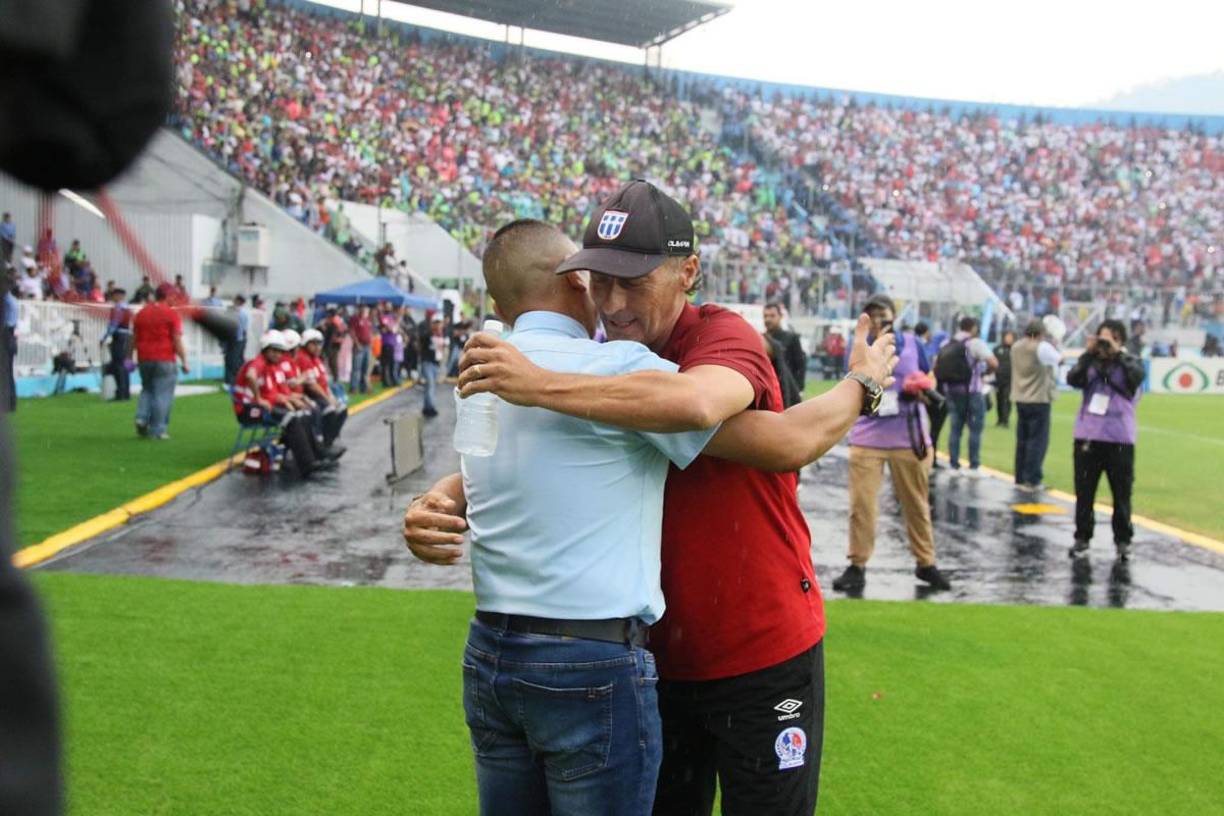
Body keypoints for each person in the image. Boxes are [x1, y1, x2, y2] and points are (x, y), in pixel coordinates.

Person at [432, 184, 896, 815]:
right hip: (654, 660)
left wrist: (862, 383)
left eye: (634, 282)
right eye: (601, 282)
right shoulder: (601, 364)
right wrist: (446, 495)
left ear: (688, 273)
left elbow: (732, 417)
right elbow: (546, 446)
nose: (614, 303)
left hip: (758, 647)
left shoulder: (720, 337)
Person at [832, 295, 952, 593]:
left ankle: (926, 562)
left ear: (893, 316)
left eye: (882, 314)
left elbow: (929, 376)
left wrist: (921, 386)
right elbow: (848, 382)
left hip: (907, 434)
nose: (877, 320)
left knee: (916, 503)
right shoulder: (859, 344)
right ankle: (857, 564)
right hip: (868, 434)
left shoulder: (911, 343)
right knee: (861, 505)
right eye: (871, 314)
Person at [1066, 320, 1146, 562]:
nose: (1104, 344)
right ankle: (1082, 537)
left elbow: (1137, 377)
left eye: (1110, 339)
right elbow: (1073, 379)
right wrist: (1088, 354)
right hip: (1088, 435)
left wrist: (1117, 353)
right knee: (1084, 491)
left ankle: (1123, 540)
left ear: (1120, 340)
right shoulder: (1090, 362)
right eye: (1101, 338)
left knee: (1121, 493)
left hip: (1119, 437)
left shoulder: (1130, 362)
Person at [232, 331, 335, 478]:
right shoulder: (259, 362)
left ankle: (315, 455)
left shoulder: (272, 367)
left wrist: (298, 399)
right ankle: (307, 464)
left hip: (262, 407)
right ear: (265, 349)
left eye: (281, 351)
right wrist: (259, 398)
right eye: (274, 350)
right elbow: (250, 376)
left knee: (303, 415)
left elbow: (279, 394)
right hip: (247, 409)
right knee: (291, 418)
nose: (278, 354)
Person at [935, 316, 998, 474]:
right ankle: (974, 466)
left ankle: (953, 464)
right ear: (974, 327)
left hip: (951, 391)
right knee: (975, 429)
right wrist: (983, 374)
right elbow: (993, 363)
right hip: (972, 391)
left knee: (955, 428)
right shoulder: (975, 343)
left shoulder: (946, 343)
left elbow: (937, 365)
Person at [1010, 319, 1062, 492]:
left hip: (1020, 397)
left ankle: (1020, 476)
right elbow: (1059, 360)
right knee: (1037, 441)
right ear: (1041, 333)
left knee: (1022, 440)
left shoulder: (1016, 346)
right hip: (1038, 398)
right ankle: (1032, 479)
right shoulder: (1041, 347)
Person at [131, 284, 188, 439]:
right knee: (163, 394)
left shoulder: (141, 313)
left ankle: (141, 417)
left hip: (144, 358)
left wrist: (129, 357)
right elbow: (176, 340)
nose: (175, 300)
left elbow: (133, 337)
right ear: (168, 296)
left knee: (147, 389)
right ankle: (158, 429)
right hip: (165, 357)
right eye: (174, 296)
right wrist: (184, 360)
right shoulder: (171, 314)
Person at [297, 329, 347, 448]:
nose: (317, 347)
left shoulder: (317, 359)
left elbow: (323, 382)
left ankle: (330, 440)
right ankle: (322, 443)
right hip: (312, 395)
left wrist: (331, 396)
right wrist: (328, 399)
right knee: (329, 411)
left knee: (342, 409)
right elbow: (312, 385)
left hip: (322, 394)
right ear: (305, 344)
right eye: (313, 344)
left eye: (319, 343)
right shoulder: (303, 358)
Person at [764, 301, 806, 393]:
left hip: (787, 390)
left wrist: (799, 390)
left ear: (780, 316)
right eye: (765, 316)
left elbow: (800, 365)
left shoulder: (791, 338)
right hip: (768, 390)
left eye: (772, 316)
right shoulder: (763, 340)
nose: (768, 319)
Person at [100, 286, 133, 400]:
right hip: (127, 337)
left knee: (118, 365)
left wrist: (104, 337)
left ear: (118, 296)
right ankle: (126, 392)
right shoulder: (127, 308)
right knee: (125, 365)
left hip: (119, 337)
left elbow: (114, 324)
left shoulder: (118, 308)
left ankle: (120, 392)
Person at [417, 314, 445, 417]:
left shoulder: (442, 335)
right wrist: (432, 331)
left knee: (430, 386)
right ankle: (431, 407)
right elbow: (422, 339)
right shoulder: (427, 334)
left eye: (439, 323)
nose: (438, 325)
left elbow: (442, 349)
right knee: (430, 384)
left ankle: (426, 407)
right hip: (427, 362)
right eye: (436, 323)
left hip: (436, 363)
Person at [222, 294, 248, 387]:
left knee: (231, 360)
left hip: (235, 339)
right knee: (238, 360)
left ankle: (231, 381)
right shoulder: (244, 312)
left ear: (238, 301)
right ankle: (240, 379)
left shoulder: (236, 312)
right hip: (241, 339)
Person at [348, 304, 373, 394]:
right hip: (359, 346)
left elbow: (370, 332)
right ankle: (354, 387)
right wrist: (357, 344)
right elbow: (351, 332)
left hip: (367, 346)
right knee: (356, 368)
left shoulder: (368, 320)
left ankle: (364, 387)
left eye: (366, 311)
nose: (365, 312)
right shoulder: (355, 319)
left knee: (365, 368)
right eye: (364, 310)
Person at [992, 329, 1015, 427]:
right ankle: (1000, 419)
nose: (1008, 339)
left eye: (1010, 337)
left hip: (1010, 379)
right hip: (998, 378)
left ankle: (1005, 420)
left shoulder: (1015, 350)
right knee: (999, 399)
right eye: (1007, 337)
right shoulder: (997, 349)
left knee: (1007, 398)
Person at [2, 285, 17, 413]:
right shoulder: (11, 300)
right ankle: (10, 402)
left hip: (6, 336)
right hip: (10, 337)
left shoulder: (6, 301)